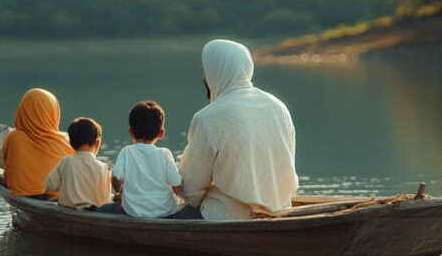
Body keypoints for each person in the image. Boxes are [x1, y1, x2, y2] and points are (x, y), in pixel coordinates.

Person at [179, 39, 298, 220]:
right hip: (280, 211)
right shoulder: (278, 106)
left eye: (206, 69)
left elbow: (191, 191)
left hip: (226, 216)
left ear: (214, 71)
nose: (204, 76)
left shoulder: (208, 118)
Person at [98, 101, 185, 218]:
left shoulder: (126, 152)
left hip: (132, 212)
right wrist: (185, 200)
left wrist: (119, 190)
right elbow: (176, 184)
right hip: (165, 212)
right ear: (161, 133)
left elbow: (116, 177)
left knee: (102, 209)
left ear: (130, 132)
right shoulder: (165, 154)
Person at [2, 88, 75, 198]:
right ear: (53, 112)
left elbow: (7, 165)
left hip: (24, 195)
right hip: (61, 196)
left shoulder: (14, 137)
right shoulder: (68, 140)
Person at [45, 117, 113, 210]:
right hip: (95, 213)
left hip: (68, 209)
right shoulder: (104, 168)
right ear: (97, 143)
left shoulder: (66, 161)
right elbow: (106, 199)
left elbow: (51, 184)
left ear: (71, 143)